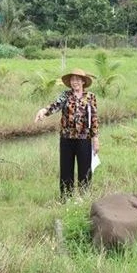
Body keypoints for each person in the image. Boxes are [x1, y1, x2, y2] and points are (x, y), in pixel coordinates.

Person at [34, 68, 99, 200]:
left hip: (84, 138)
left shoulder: (90, 97)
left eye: (77, 79)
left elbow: (94, 118)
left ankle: (84, 197)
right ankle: (66, 199)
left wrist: (95, 138)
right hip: (66, 139)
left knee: (85, 169)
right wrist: (43, 111)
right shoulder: (65, 95)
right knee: (66, 169)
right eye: (72, 79)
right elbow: (55, 106)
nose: (74, 82)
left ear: (83, 82)